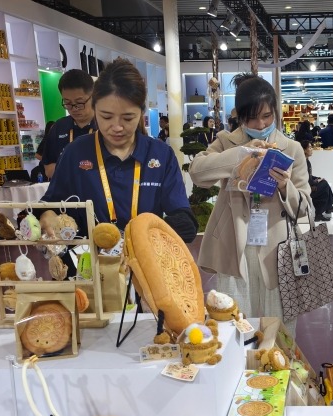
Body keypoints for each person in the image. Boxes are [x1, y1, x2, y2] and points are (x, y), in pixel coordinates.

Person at [189, 74, 311, 334]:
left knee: (278, 332)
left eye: (267, 116)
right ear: (240, 116)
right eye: (252, 118)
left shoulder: (291, 148)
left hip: (278, 251)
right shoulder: (226, 142)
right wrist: (240, 155)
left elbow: (305, 208)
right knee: (234, 328)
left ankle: (276, 362)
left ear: (275, 111)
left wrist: (284, 186)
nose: (261, 124)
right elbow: (198, 173)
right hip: (235, 248)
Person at [41, 59, 197, 243]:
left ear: (141, 112)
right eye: (106, 117)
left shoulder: (160, 154)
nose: (116, 127)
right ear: (94, 109)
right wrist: (47, 215)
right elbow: (49, 204)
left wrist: (148, 233)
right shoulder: (75, 153)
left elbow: (184, 219)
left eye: (128, 118)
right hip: (88, 257)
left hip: (144, 255)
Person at [41, 69, 97, 179]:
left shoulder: (106, 125)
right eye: (67, 103)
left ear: (93, 96)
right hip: (67, 189)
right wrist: (76, 168)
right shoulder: (59, 127)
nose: (74, 109)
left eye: (79, 103)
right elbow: (48, 169)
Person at [301, 140, 333, 221]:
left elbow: (308, 176)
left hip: (308, 185)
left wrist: (317, 178)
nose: (311, 149)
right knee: (324, 185)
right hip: (306, 188)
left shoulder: (306, 161)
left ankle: (323, 211)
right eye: (310, 147)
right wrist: (317, 181)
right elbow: (308, 180)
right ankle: (326, 209)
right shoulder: (304, 162)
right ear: (304, 150)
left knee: (324, 184)